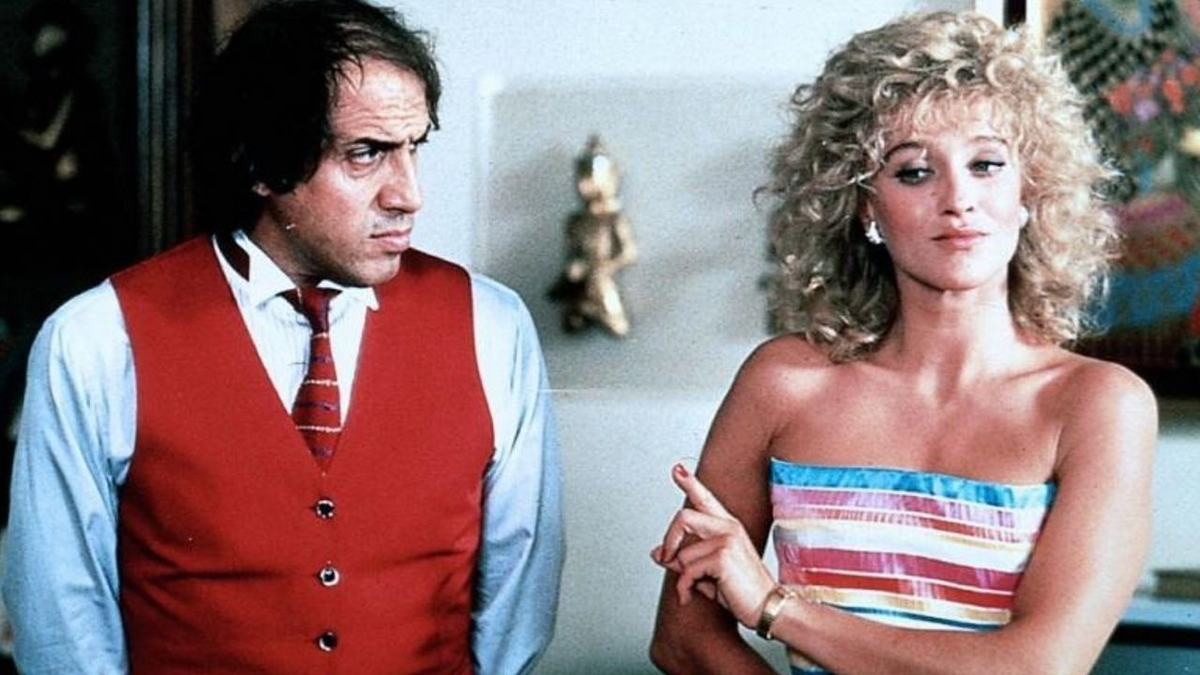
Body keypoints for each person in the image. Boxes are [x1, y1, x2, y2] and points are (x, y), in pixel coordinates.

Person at [2, 1, 563, 672]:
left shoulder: (492, 325)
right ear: (263, 165)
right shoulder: (96, 339)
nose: (408, 195)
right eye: (366, 154)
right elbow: (63, 625)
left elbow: (518, 600)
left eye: (414, 147)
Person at [650, 11, 1156, 675]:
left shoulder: (1098, 404)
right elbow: (683, 640)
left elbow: (1037, 666)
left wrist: (776, 608)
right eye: (914, 172)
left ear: (1029, 189)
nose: (958, 199)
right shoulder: (782, 383)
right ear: (864, 203)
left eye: (986, 164)